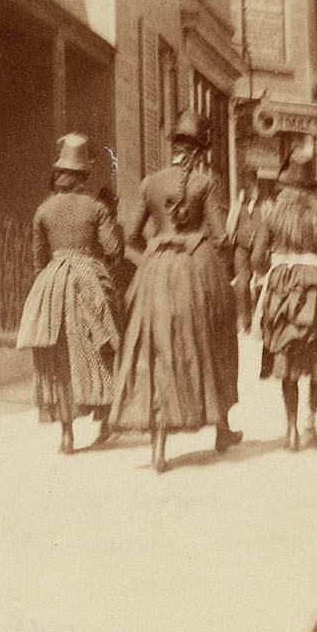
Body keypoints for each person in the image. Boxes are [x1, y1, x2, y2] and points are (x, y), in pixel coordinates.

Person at [108, 110, 242, 472]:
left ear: (175, 147)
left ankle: (158, 449)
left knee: (156, 353)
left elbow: (131, 238)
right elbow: (219, 237)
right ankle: (222, 429)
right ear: (199, 151)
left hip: (154, 275)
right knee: (216, 340)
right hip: (197, 271)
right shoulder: (205, 182)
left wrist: (153, 262)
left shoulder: (150, 183)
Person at [16, 133, 124, 454]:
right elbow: (114, 250)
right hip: (89, 280)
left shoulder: (43, 211)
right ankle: (105, 420)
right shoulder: (95, 208)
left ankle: (66, 434)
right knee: (102, 344)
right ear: (84, 176)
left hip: (52, 285)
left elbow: (38, 260)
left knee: (59, 357)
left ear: (60, 174)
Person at [252, 144, 317, 451]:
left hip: (281, 287)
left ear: (285, 186)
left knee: (286, 356)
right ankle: (311, 423)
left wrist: (271, 270)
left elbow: (257, 258)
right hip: (315, 285)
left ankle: (290, 430)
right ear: (310, 187)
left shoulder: (272, 214)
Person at [227, 166, 263, 333]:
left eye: (252, 185)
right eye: (246, 186)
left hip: (258, 250)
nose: (249, 190)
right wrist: (238, 205)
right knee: (242, 284)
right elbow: (229, 228)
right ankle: (245, 322)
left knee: (259, 285)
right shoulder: (237, 206)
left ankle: (260, 320)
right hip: (241, 250)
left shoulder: (263, 206)